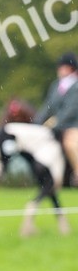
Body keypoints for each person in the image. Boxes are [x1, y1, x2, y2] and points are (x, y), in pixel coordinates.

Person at [35, 52, 78, 185]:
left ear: (70, 68)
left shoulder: (76, 85)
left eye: (62, 67)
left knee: (70, 143)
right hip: (58, 124)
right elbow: (48, 106)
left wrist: (57, 121)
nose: (59, 70)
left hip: (74, 124)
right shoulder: (56, 85)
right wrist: (37, 121)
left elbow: (72, 108)